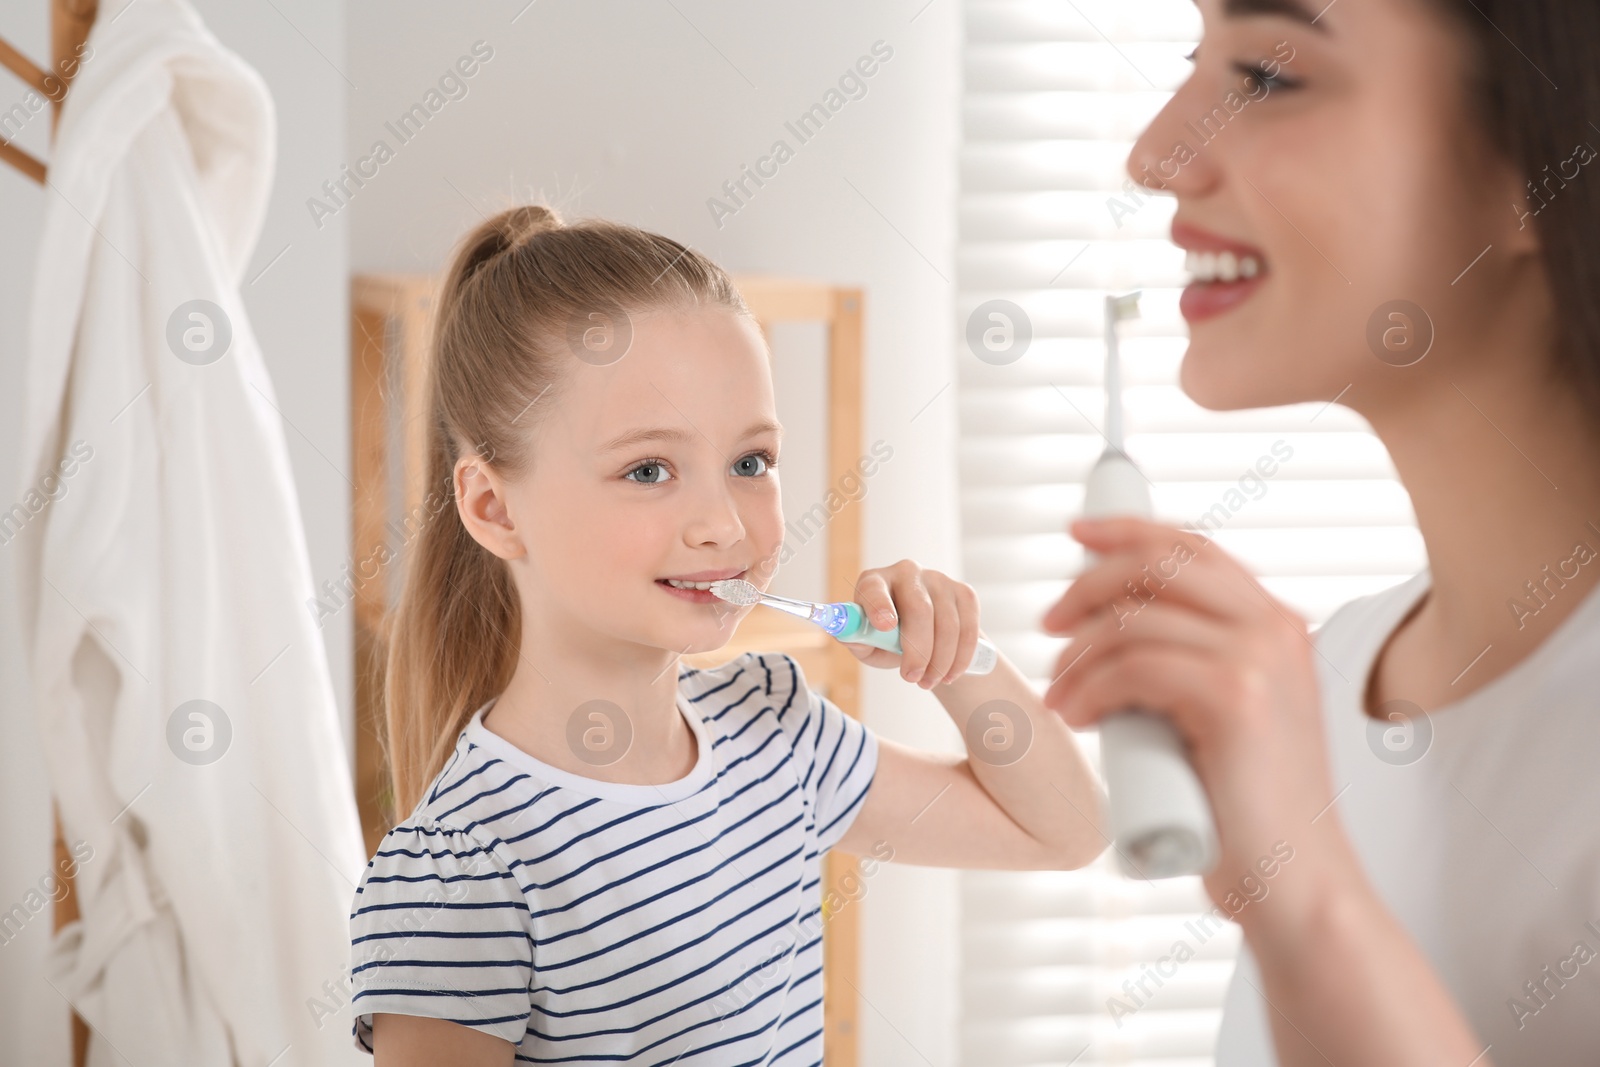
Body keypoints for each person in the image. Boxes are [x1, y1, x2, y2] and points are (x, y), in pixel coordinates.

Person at [347, 204, 1107, 1064]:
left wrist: (960, 659)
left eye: (751, 462)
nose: (722, 523)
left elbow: (1066, 831)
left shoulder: (775, 731)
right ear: (494, 507)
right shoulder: (460, 874)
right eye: (648, 469)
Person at [1041, 0, 1600, 1062]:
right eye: (1190, 60)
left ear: (1546, 155)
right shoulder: (1323, 679)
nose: (1156, 154)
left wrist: (1310, 904)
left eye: (1263, 75)